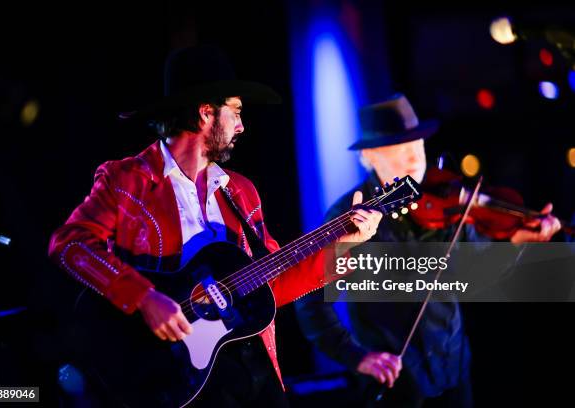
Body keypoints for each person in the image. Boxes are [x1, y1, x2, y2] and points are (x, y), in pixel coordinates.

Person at [47, 45, 383, 407]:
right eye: (236, 111)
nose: (242, 125)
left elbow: (270, 287)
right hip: (170, 374)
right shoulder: (127, 180)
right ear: (205, 112)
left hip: (249, 369)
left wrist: (344, 245)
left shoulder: (241, 192)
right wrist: (143, 297)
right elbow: (69, 244)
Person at [295, 93, 561, 407]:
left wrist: (516, 244)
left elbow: (476, 273)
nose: (414, 160)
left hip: (454, 371)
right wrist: (356, 357)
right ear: (368, 156)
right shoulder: (348, 216)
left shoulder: (445, 200)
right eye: (399, 149)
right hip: (398, 386)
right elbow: (309, 301)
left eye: (417, 146)